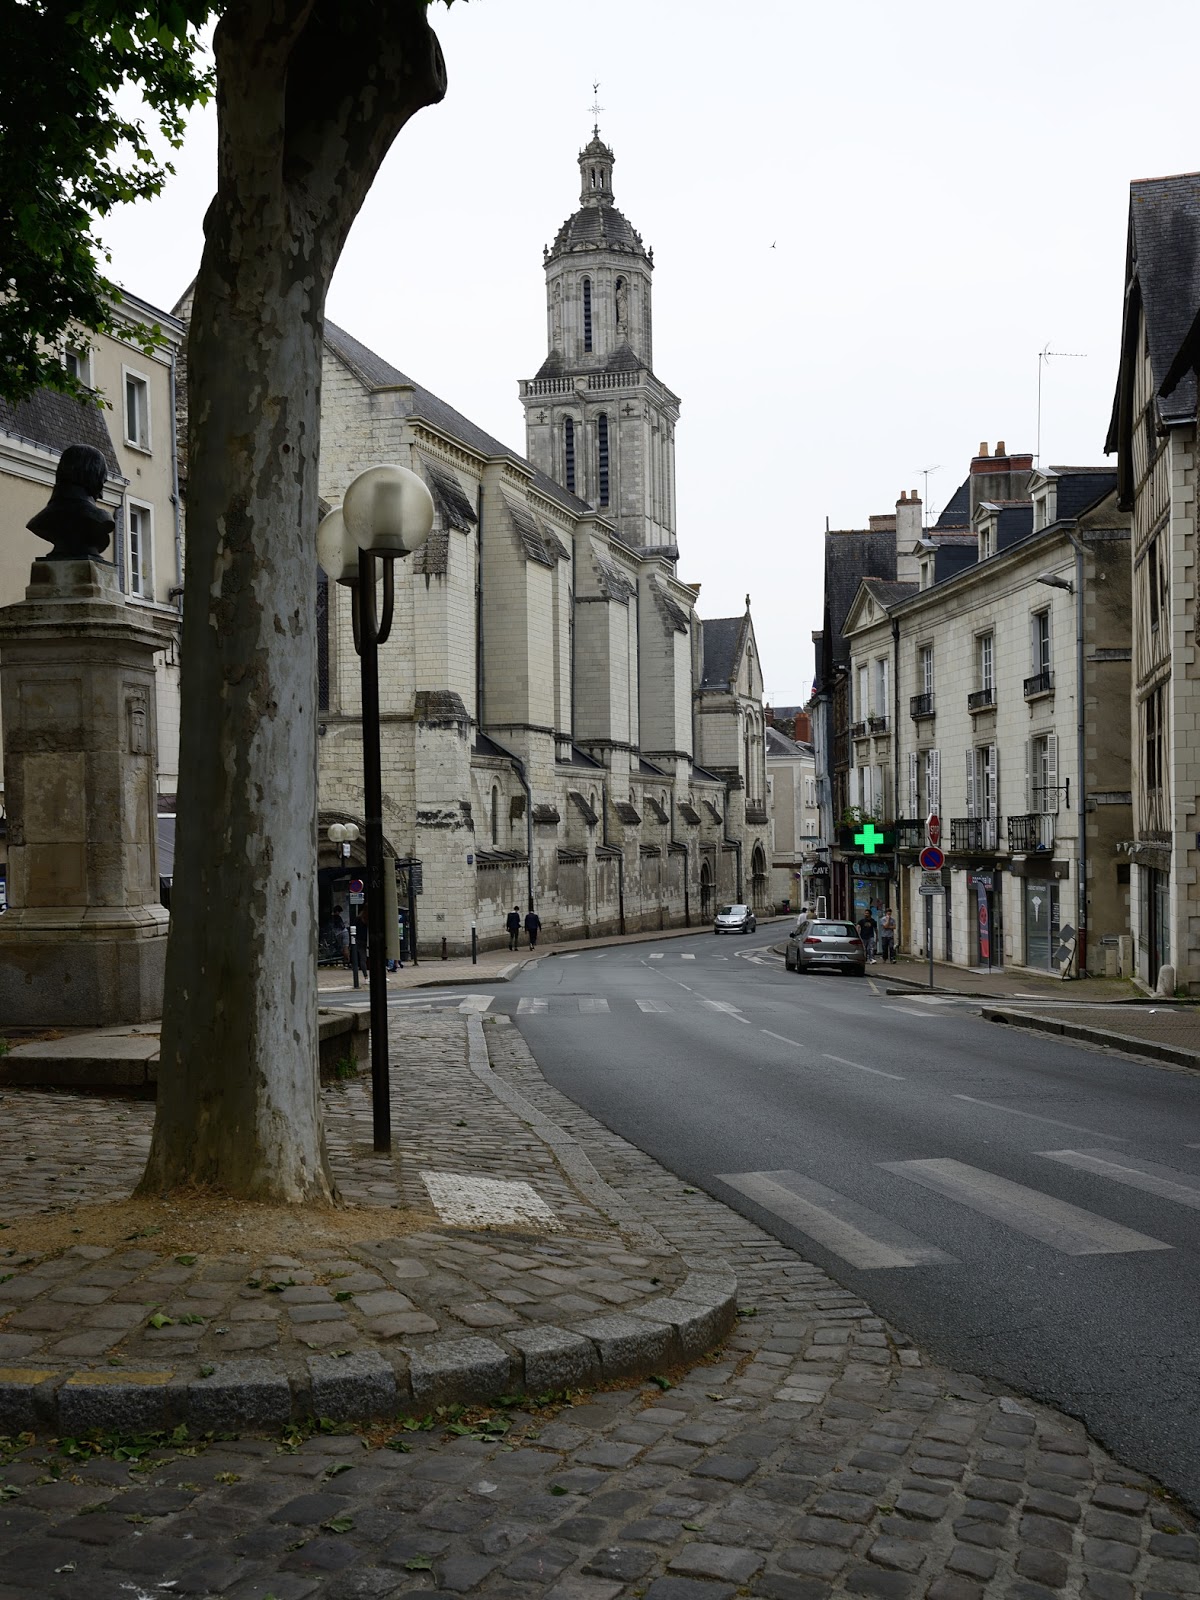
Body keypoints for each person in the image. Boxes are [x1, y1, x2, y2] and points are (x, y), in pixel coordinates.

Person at [353, 906, 370, 976]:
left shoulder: (358, 918)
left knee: (363, 958)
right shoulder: (369, 918)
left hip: (359, 940)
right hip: (367, 939)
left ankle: (365, 976)